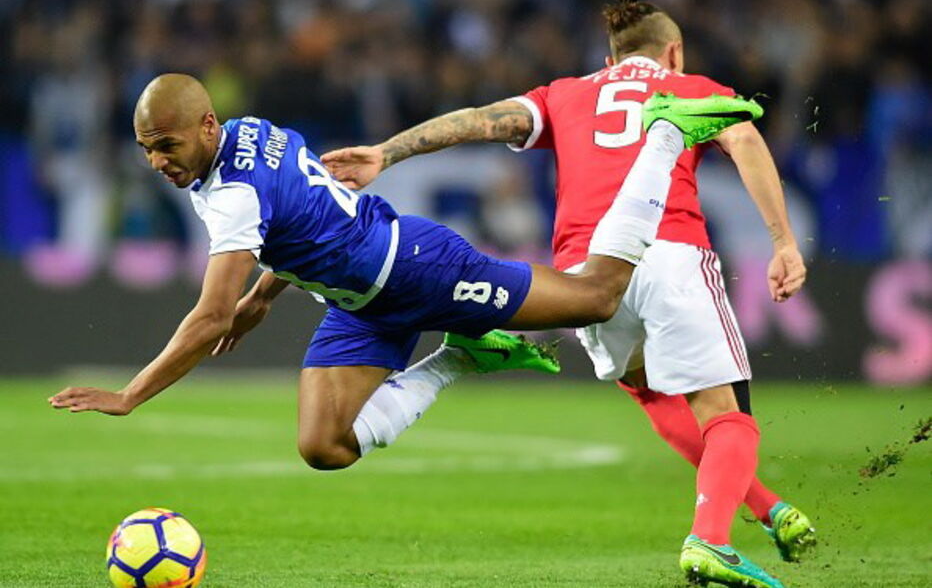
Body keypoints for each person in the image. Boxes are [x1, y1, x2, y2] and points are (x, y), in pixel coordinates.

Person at [322, 0, 812, 588]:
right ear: (674, 53)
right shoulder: (690, 88)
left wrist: (386, 153)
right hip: (670, 250)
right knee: (727, 417)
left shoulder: (565, 93)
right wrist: (782, 241)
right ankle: (710, 540)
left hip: (585, 275)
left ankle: (770, 508)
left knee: (647, 388)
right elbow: (745, 141)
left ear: (610, 61)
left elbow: (478, 120)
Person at [48, 74, 750, 476]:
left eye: (165, 146)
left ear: (205, 125)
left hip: (422, 270)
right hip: (361, 301)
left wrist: (130, 394)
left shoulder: (232, 195)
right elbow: (302, 211)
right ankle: (459, 357)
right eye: (145, 150)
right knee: (323, 446)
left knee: (598, 296)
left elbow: (207, 318)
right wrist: (267, 290)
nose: (157, 163)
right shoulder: (248, 131)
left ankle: (664, 132)